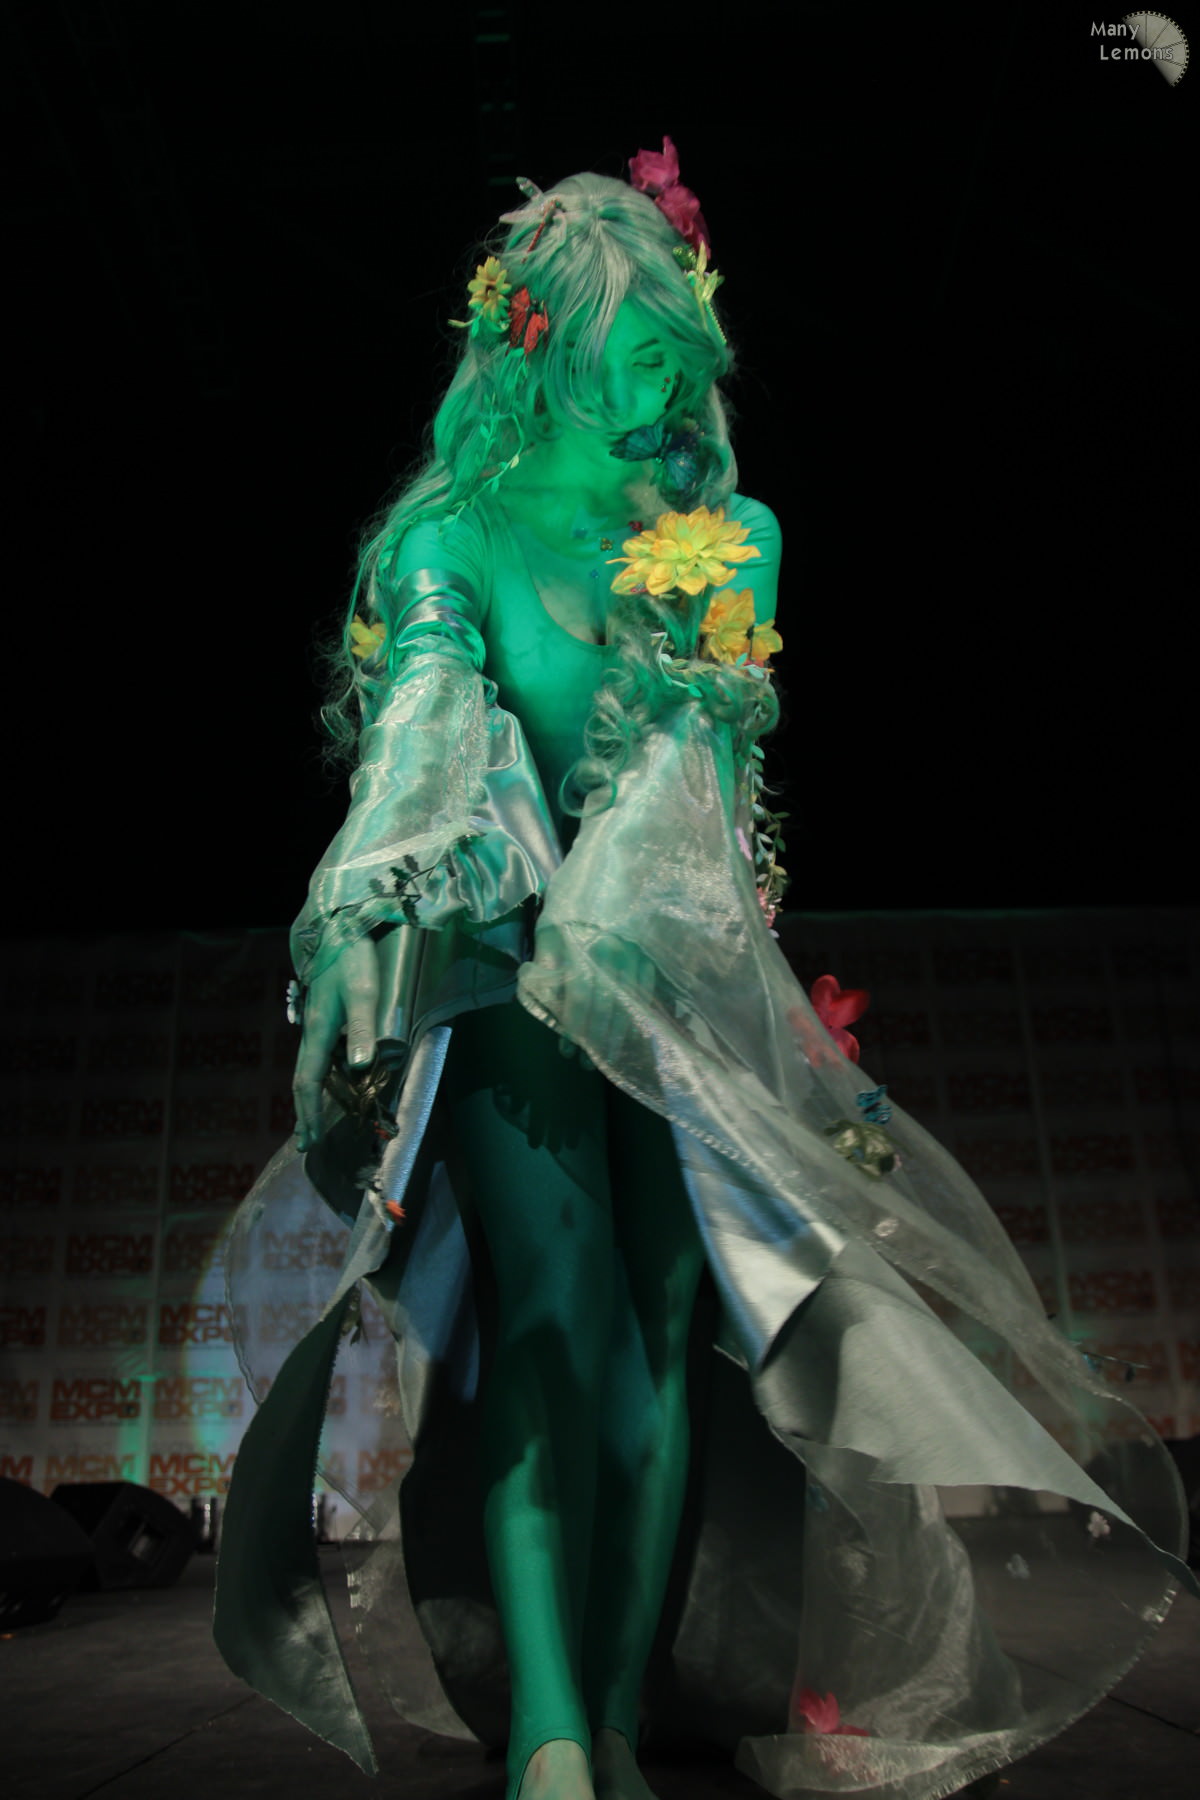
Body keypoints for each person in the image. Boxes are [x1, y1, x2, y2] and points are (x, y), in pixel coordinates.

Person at [213, 144, 1194, 1800]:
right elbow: (423, 741)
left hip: (676, 975)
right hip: (510, 976)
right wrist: (369, 926)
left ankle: (608, 1708)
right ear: (542, 338)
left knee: (663, 1339)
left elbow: (693, 791)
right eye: (635, 342)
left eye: (682, 344)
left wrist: (653, 963)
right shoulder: (449, 534)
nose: (671, 379)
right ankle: (547, 1732)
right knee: (550, 1322)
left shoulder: (729, 534)